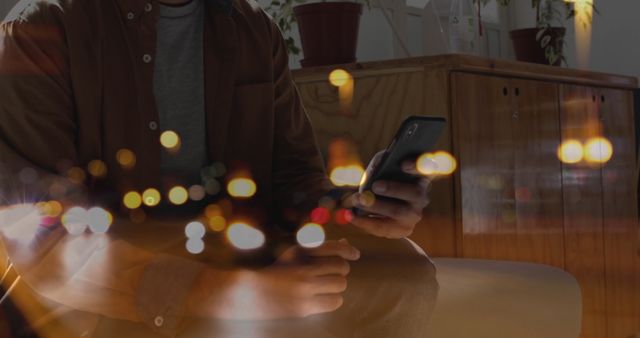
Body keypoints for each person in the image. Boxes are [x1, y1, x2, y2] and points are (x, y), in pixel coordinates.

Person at [0, 0, 438, 337]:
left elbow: (295, 181)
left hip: (230, 246)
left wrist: (358, 205)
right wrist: (232, 294)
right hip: (102, 278)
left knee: (401, 273)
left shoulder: (252, 31)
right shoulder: (41, 29)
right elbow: (45, 248)